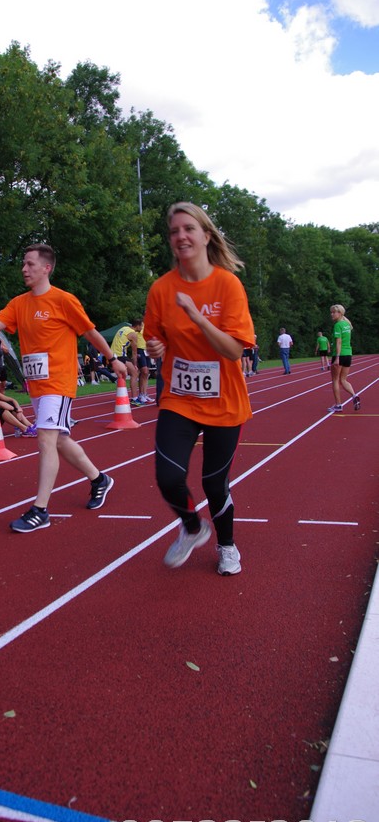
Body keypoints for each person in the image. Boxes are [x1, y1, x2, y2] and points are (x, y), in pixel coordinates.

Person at [0, 242, 128, 532]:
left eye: (30, 264)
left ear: (46, 268)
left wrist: (112, 359)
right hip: (37, 385)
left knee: (45, 440)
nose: (24, 269)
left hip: (59, 382)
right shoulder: (20, 303)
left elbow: (90, 333)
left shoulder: (64, 300)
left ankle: (40, 510)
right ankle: (99, 479)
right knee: (59, 440)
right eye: (23, 264)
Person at [143, 202, 255, 577]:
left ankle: (227, 545)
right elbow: (154, 339)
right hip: (180, 398)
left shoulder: (227, 284)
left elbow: (234, 350)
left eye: (188, 229)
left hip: (224, 401)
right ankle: (192, 528)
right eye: (174, 231)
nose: (181, 236)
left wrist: (196, 316)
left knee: (214, 483)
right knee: (168, 476)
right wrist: (156, 348)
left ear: (206, 236)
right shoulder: (161, 289)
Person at [328, 304, 360, 413]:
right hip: (348, 354)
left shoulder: (338, 325)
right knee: (343, 380)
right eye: (331, 312)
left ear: (340, 313)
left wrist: (337, 357)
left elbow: (339, 342)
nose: (332, 314)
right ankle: (354, 395)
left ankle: (338, 405)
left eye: (334, 312)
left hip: (340, 355)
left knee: (335, 380)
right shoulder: (347, 324)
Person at [0, 371, 37, 436]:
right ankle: (25, 429)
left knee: (10, 403)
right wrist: (15, 409)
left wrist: (19, 410)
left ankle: (30, 425)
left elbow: (12, 400)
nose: (0, 382)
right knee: (1, 408)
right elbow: (3, 405)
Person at [111, 319, 143, 404]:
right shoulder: (133, 334)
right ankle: (134, 398)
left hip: (113, 354)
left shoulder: (124, 328)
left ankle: (121, 396)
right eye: (141, 326)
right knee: (135, 373)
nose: (142, 328)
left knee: (122, 376)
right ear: (137, 326)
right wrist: (135, 365)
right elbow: (134, 352)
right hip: (120, 355)